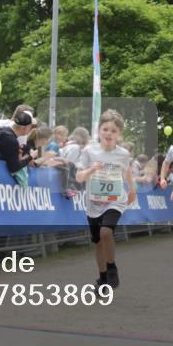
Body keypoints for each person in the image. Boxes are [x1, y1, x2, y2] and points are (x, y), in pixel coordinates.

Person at [75, 110, 135, 290]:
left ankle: (111, 267)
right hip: (94, 203)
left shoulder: (123, 154)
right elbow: (78, 177)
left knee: (106, 232)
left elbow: (127, 172)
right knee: (98, 242)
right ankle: (102, 279)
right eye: (105, 129)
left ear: (119, 134)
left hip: (115, 201)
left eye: (114, 131)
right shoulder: (89, 151)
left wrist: (132, 190)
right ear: (99, 130)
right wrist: (91, 171)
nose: (109, 134)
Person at [0, 108, 36, 185]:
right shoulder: (11, 140)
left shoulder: (4, 130)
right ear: (25, 127)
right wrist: (30, 156)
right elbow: (14, 168)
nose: (30, 130)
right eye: (30, 127)